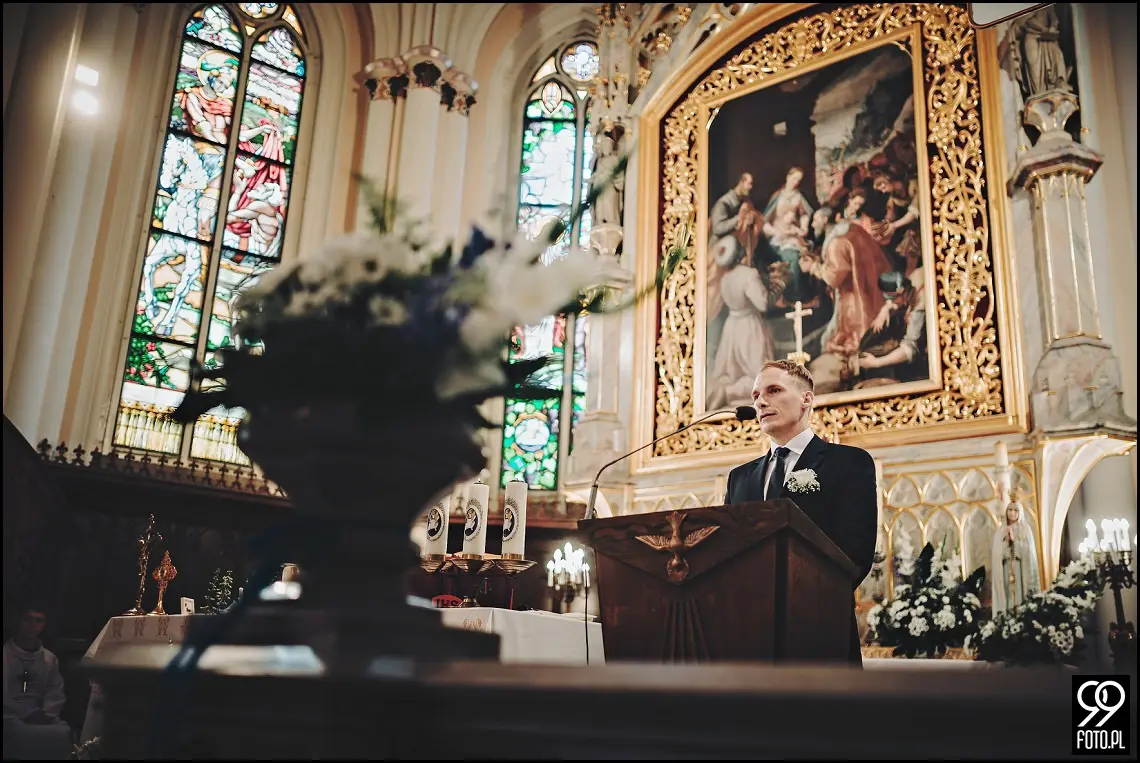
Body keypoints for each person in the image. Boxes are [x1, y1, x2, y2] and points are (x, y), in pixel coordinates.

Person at [723, 360, 879, 666]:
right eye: (756, 396)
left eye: (774, 390)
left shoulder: (848, 463)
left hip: (819, 628)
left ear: (806, 399)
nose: (761, 402)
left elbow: (856, 550)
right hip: (751, 635)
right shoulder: (739, 478)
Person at [2, 605, 72, 760]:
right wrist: (23, 714)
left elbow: (55, 692)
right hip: (9, 715)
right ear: (19, 622)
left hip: (40, 714)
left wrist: (46, 713)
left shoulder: (49, 659)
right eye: (28, 619)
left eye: (38, 620)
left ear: (43, 625)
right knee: (19, 733)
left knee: (62, 732)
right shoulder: (5, 655)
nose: (33, 624)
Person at [989, 488, 1041, 613]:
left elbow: (1029, 552)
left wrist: (1014, 543)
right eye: (1010, 510)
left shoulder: (1025, 529)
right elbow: (996, 554)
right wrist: (1005, 547)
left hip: (1020, 569)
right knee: (1007, 596)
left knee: (1019, 596)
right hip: (1006, 569)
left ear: (1020, 513)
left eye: (1015, 510)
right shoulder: (1001, 531)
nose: (1012, 513)